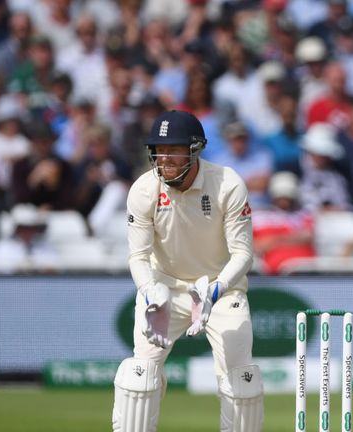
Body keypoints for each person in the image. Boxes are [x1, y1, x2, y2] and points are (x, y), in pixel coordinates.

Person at [112, 110, 263, 432]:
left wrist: (215, 290)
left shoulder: (227, 183)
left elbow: (243, 254)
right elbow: (138, 257)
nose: (163, 158)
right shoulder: (143, 190)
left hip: (221, 290)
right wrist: (152, 293)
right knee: (140, 375)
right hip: (165, 287)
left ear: (194, 149)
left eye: (173, 150)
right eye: (158, 150)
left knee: (241, 379)